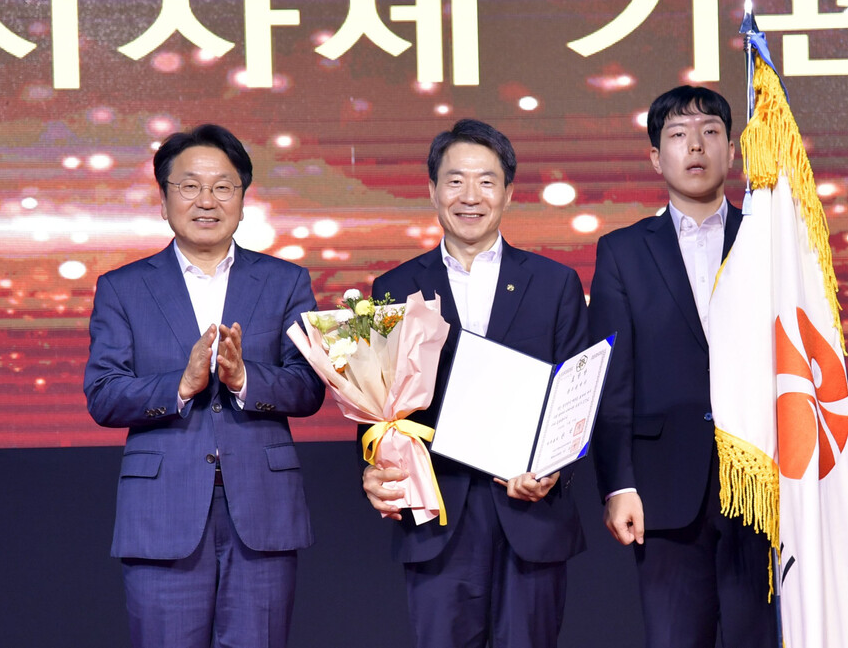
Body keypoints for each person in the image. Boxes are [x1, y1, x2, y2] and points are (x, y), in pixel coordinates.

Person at [83, 124, 325, 648]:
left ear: (243, 198)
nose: (206, 201)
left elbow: (310, 386)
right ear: (163, 199)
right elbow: (103, 394)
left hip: (262, 511)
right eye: (189, 186)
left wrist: (245, 379)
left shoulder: (286, 282)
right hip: (162, 512)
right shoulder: (123, 288)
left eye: (222, 186)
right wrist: (180, 384)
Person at [362, 119, 588, 648]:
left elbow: (577, 397)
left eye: (486, 181)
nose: (470, 196)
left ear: (508, 192)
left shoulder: (555, 283)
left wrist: (553, 468)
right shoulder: (395, 287)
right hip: (437, 514)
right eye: (455, 180)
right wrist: (373, 466)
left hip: (530, 513)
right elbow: (377, 402)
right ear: (433, 190)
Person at [588, 86, 779, 648]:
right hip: (664, 489)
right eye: (678, 134)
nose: (695, 146)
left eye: (710, 132)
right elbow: (612, 380)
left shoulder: (769, 240)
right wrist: (618, 484)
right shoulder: (622, 251)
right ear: (656, 157)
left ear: (731, 150)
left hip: (762, 483)